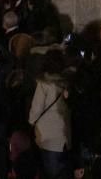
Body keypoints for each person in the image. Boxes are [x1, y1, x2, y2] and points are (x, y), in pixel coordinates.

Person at [28, 50, 70, 179]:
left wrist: (31, 121)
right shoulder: (68, 81)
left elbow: (37, 108)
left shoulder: (44, 83)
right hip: (65, 131)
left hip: (48, 134)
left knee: (50, 171)